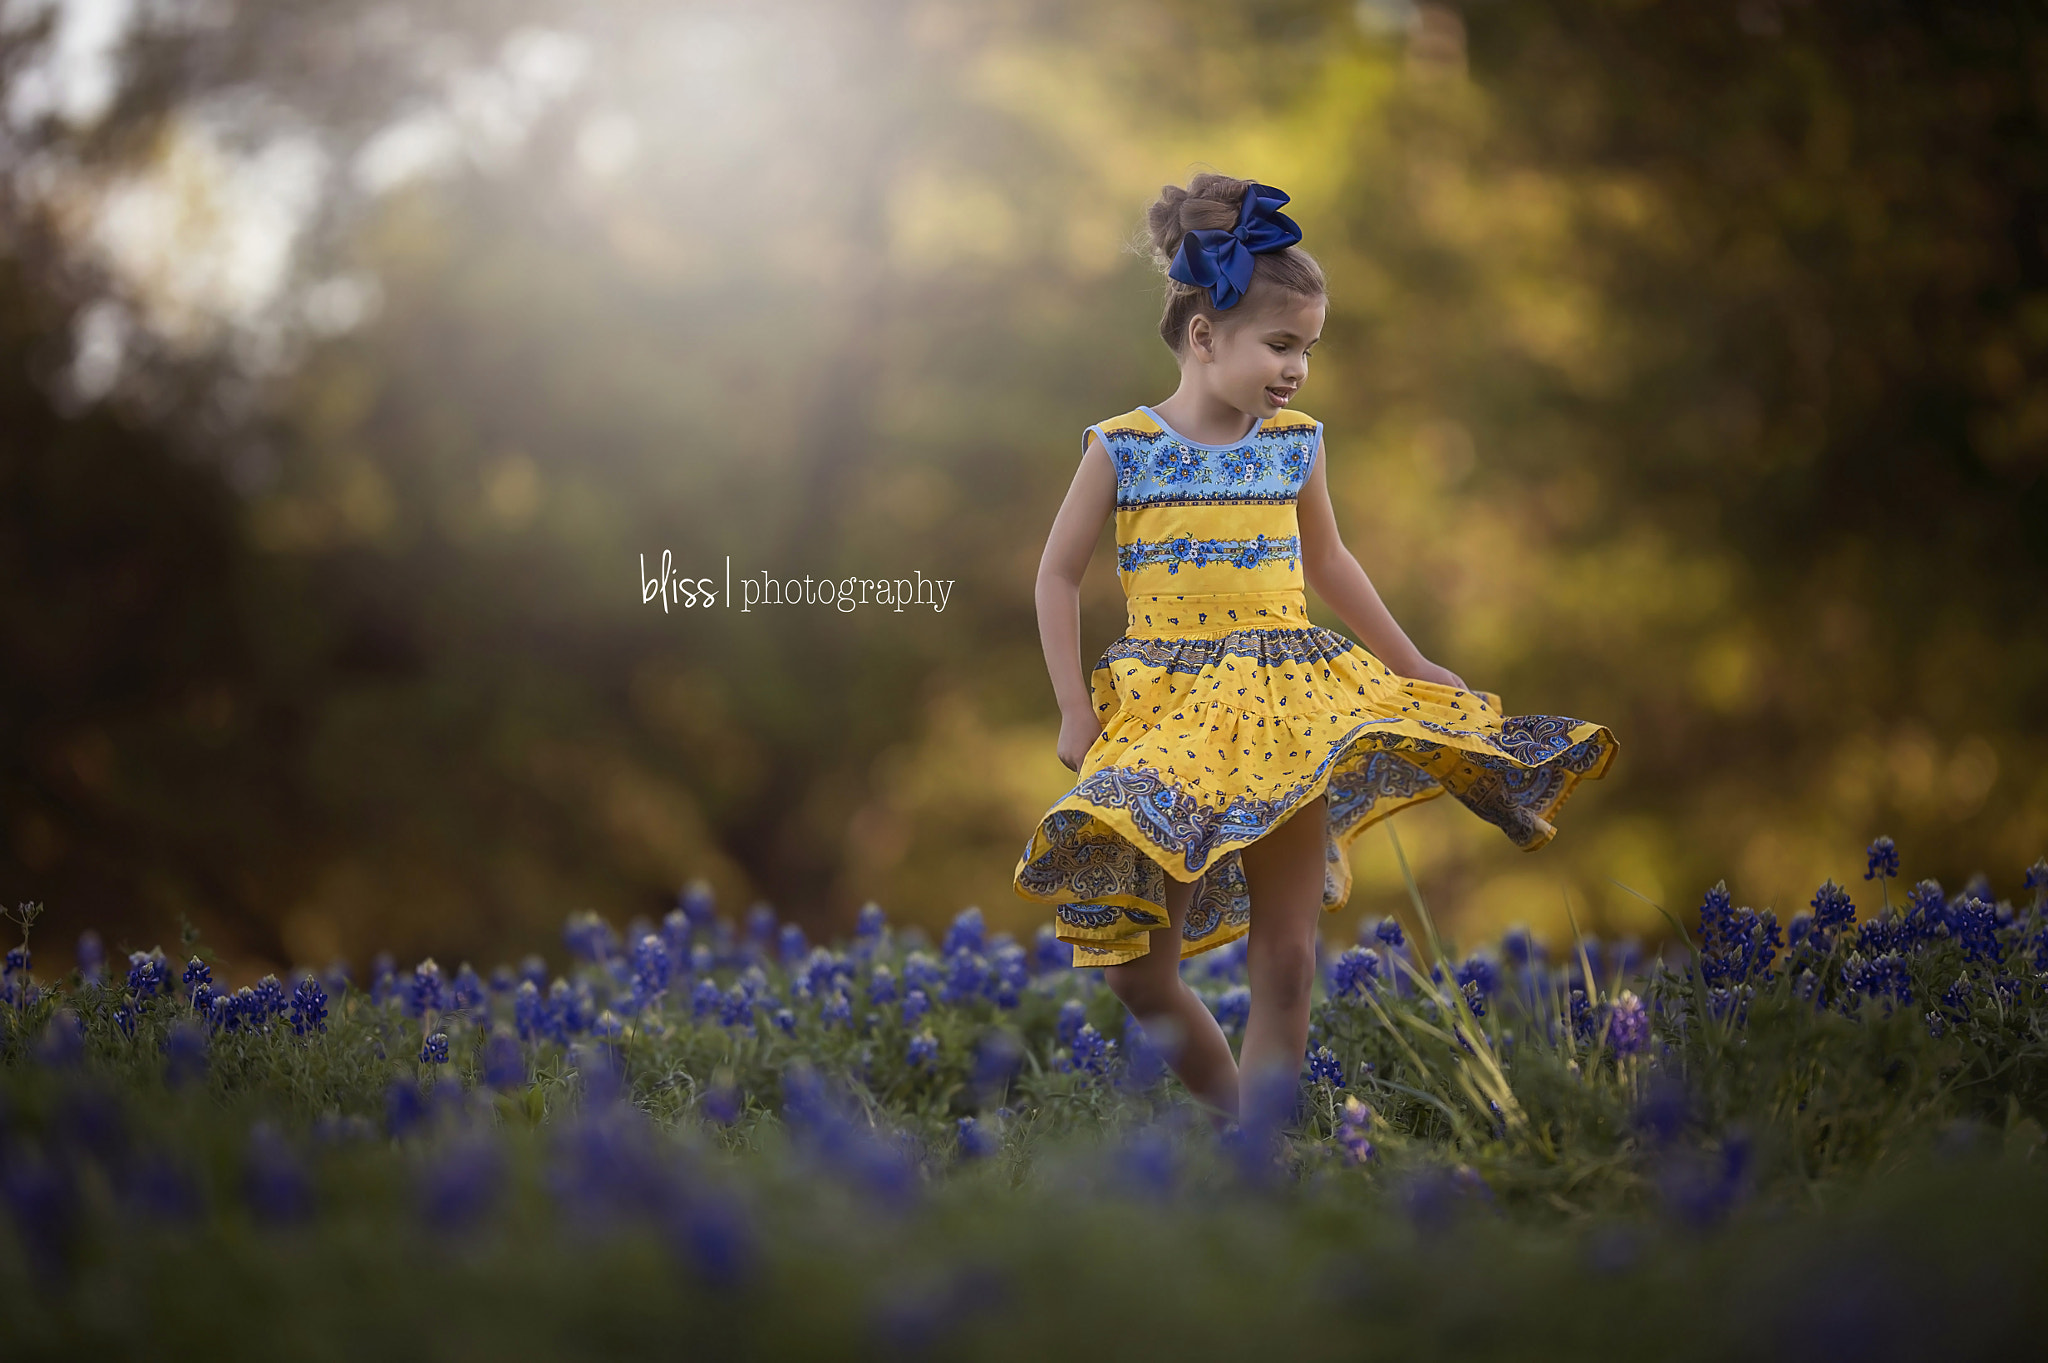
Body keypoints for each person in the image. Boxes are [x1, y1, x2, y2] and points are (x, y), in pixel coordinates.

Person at [1012, 171, 1619, 1125]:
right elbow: (1056, 575)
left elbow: (1330, 562)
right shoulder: (1122, 446)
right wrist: (1072, 707)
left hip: (1288, 701)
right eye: (1281, 344)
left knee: (1288, 955)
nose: (1297, 367)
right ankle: (1231, 1116)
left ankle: (1270, 1152)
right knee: (1140, 972)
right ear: (1206, 336)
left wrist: (1413, 664)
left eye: (1309, 348)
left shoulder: (1295, 443)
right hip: (1166, 712)